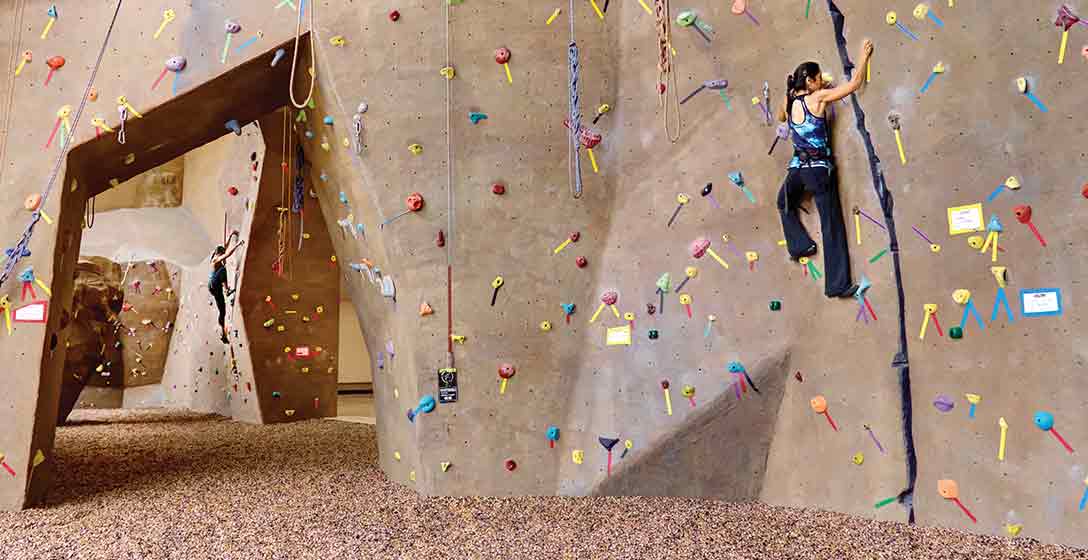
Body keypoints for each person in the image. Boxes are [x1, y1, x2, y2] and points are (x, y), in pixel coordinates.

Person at [775, 39, 873, 298]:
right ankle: (837, 284)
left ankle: (800, 246)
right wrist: (863, 57)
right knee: (832, 223)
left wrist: (788, 92)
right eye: (818, 79)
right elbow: (853, 85)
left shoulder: (790, 101)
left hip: (798, 169)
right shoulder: (817, 98)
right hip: (818, 170)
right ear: (809, 81)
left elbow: (780, 117)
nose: (821, 83)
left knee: (783, 201)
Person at [209, 232, 244, 343]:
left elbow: (225, 246)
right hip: (214, 286)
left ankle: (226, 289)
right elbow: (227, 254)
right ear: (219, 254)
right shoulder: (216, 259)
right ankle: (222, 333)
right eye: (221, 254)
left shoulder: (216, 254)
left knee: (222, 269)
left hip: (214, 284)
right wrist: (238, 245)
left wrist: (232, 235)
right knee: (222, 311)